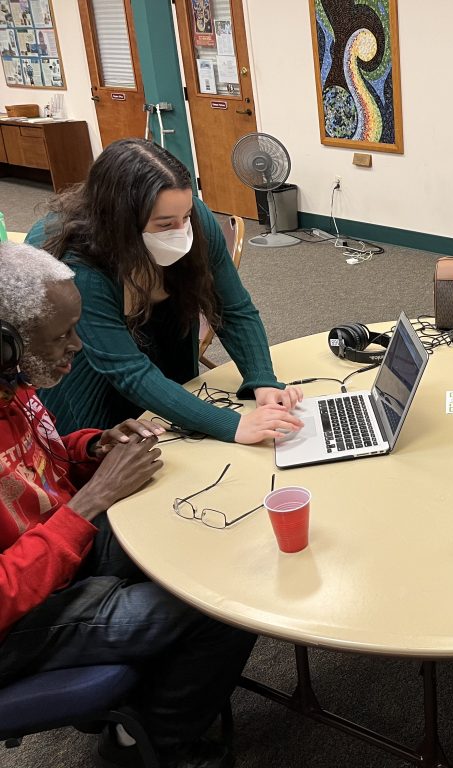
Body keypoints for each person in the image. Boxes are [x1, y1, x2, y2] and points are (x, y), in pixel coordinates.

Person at [0, 242, 256, 768]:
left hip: (57, 556)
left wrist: (91, 447)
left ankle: (139, 686)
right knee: (227, 604)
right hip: (16, 624)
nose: (77, 346)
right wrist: (89, 504)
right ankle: (144, 748)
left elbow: (37, 468)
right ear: (4, 345)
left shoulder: (15, 386)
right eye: (61, 336)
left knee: (200, 532)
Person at [26, 138, 303, 444]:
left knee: (179, 429)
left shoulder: (187, 214)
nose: (181, 230)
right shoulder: (80, 266)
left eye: (185, 217)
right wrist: (234, 426)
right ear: (120, 221)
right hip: (91, 362)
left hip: (162, 330)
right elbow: (128, 371)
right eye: (165, 224)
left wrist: (262, 380)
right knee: (114, 450)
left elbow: (234, 309)